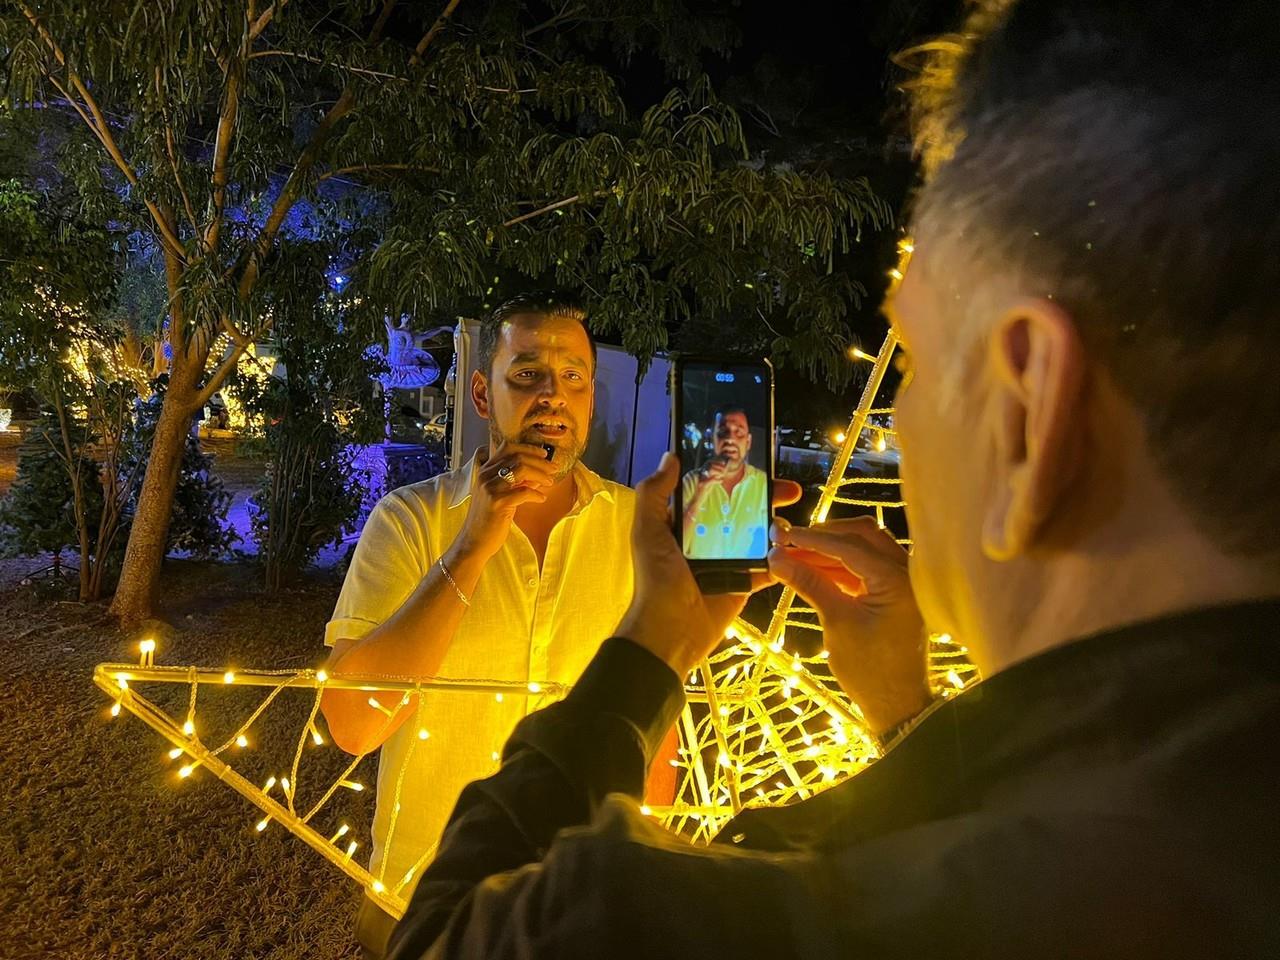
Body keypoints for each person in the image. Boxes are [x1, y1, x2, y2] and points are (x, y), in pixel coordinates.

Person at [386, 1, 1280, 956]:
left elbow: (446, 934)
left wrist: (651, 643)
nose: (901, 413)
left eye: (920, 363)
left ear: (1026, 405)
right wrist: (907, 719)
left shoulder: (760, 909)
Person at [319, 294, 647, 959]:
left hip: (578, 905)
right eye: (526, 373)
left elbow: (651, 726)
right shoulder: (409, 521)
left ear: (590, 401)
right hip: (426, 901)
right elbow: (353, 726)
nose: (553, 394)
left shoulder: (639, 529)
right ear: (480, 392)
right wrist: (472, 547)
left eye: (574, 377)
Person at [680, 406, 769, 559]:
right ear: (712, 439)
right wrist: (700, 494)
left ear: (748, 442)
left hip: (746, 578)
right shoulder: (690, 481)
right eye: (723, 432)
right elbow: (676, 547)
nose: (730, 439)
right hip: (695, 579)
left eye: (739, 432)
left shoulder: (763, 484)